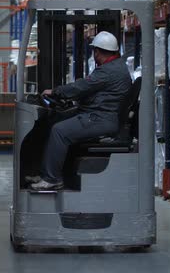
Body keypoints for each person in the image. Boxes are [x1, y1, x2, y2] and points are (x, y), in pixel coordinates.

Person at [29, 31, 132, 191]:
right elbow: (91, 90)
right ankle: (47, 172)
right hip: (101, 115)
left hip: (101, 119)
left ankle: (52, 179)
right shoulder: (116, 67)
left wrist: (56, 91)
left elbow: (82, 86)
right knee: (55, 121)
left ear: (97, 52)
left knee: (59, 131)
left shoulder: (107, 71)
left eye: (94, 51)